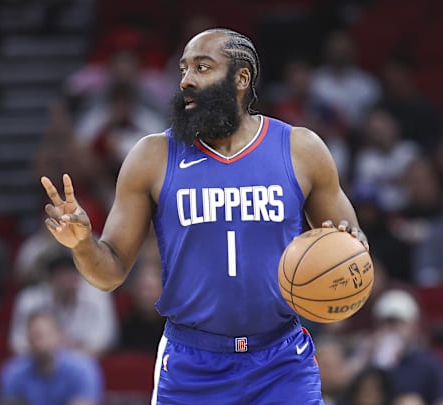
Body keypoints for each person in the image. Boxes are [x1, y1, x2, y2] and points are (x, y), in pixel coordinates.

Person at [40, 28, 368, 404]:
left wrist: (351, 247)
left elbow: (352, 246)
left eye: (202, 67)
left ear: (241, 78)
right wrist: (83, 244)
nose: (186, 81)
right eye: (183, 70)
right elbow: (109, 273)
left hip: (281, 360)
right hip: (191, 365)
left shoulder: (300, 149)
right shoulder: (152, 156)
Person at [9, 251, 119, 356]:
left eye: (72, 273)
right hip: (39, 364)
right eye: (61, 274)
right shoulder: (30, 299)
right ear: (49, 279)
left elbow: (104, 341)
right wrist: (47, 349)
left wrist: (66, 353)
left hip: (83, 364)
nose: (68, 280)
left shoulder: (97, 296)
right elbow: (18, 343)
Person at [0, 311, 103, 405]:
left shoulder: (83, 369)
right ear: (28, 340)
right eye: (35, 336)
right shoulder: (13, 371)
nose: (40, 342)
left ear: (59, 336)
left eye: (45, 335)